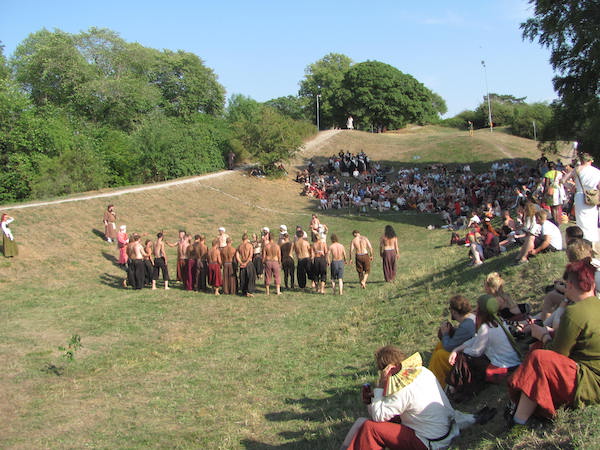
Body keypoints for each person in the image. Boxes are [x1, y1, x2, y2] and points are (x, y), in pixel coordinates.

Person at [341, 346, 495, 450]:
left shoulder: (401, 389)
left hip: (429, 441)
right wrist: (374, 399)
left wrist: (380, 387)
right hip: (445, 429)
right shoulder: (422, 371)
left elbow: (378, 416)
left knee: (370, 428)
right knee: (362, 423)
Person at [507, 258, 600, 427]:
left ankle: (518, 420)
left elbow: (557, 354)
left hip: (590, 384)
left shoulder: (574, 312)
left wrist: (542, 335)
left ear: (570, 285)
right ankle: (522, 411)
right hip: (593, 375)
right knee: (538, 353)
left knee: (538, 358)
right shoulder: (595, 305)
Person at [447, 295, 521, 400]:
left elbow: (477, 351)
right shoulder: (499, 321)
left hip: (504, 364)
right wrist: (458, 348)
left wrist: (461, 351)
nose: (475, 309)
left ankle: (453, 387)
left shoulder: (485, 328)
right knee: (464, 355)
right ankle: (453, 386)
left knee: (463, 358)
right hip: (513, 360)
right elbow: (476, 339)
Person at [428, 295, 476, 388]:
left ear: (453, 311)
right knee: (439, 345)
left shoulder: (466, 326)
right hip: (468, 349)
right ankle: (432, 371)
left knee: (440, 355)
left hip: (468, 358)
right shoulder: (471, 318)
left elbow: (449, 346)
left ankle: (437, 384)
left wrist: (445, 333)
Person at [563, 152, 600, 244]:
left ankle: (583, 238)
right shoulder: (597, 171)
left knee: (581, 219)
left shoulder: (577, 169)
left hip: (580, 194)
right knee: (592, 218)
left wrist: (570, 187)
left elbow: (563, 180)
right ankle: (593, 239)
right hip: (592, 195)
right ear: (590, 160)